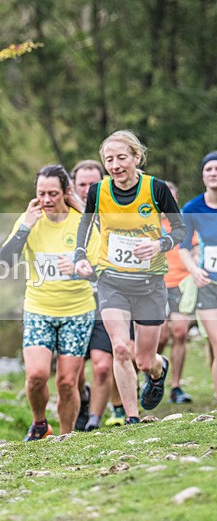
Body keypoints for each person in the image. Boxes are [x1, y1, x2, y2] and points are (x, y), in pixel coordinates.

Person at [74, 130, 186, 425]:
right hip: (112, 280)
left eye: (121, 157)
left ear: (137, 158)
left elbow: (180, 231)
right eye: (109, 159)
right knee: (121, 348)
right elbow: (84, 228)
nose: (115, 164)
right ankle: (132, 418)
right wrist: (80, 257)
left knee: (144, 360)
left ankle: (158, 369)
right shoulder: (98, 191)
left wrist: (159, 244)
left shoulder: (156, 188)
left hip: (150, 284)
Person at [0, 165, 99, 439]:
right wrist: (25, 227)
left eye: (53, 193)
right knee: (36, 375)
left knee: (67, 382)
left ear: (66, 192)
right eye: (41, 193)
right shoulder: (29, 220)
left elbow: (99, 265)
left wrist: (80, 266)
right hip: (39, 309)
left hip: (77, 311)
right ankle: (40, 423)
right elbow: (6, 261)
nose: (46, 199)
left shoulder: (82, 222)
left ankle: (65, 437)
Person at [70, 160, 125, 431]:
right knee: (74, 371)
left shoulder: (114, 211)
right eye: (82, 184)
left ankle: (94, 419)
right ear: (73, 186)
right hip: (69, 303)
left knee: (104, 364)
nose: (87, 190)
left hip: (106, 298)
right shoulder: (60, 213)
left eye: (94, 185)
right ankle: (82, 400)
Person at [179, 151, 217, 402]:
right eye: (209, 170)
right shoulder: (192, 208)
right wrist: (194, 270)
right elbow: (182, 247)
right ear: (203, 176)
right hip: (208, 284)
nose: (214, 174)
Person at [156, 181, 194, 403]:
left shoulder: (184, 222)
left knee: (180, 333)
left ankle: (176, 387)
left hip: (181, 283)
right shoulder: (148, 222)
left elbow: (196, 247)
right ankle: (153, 375)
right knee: (160, 335)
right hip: (157, 284)